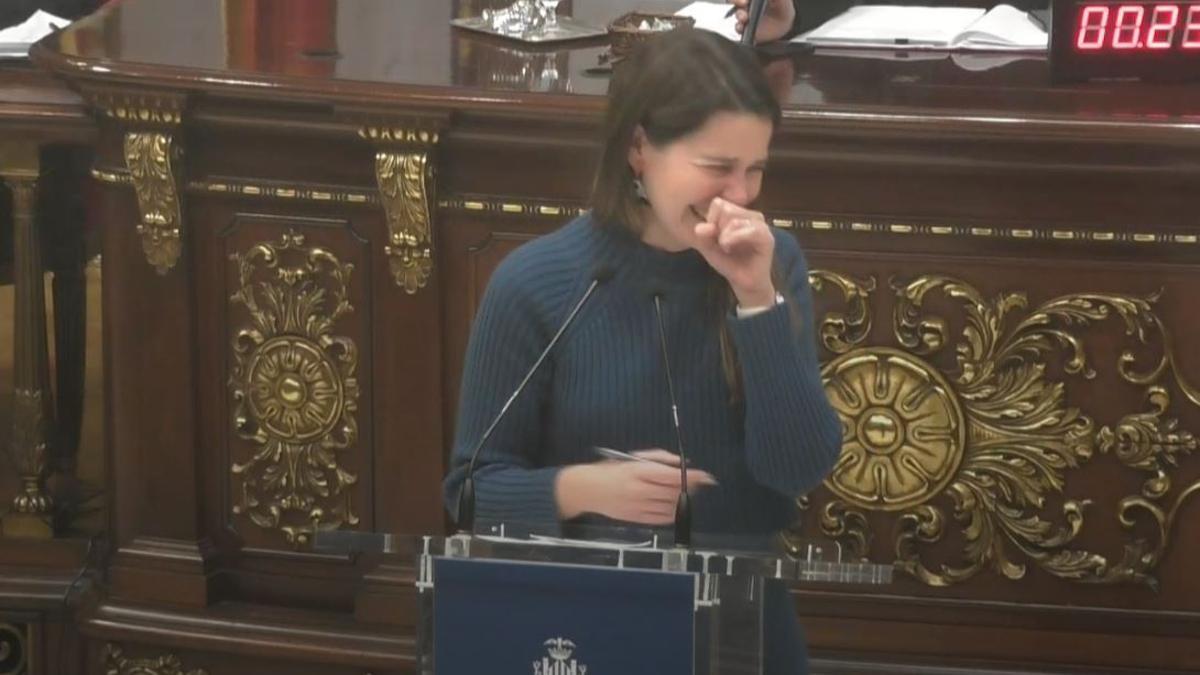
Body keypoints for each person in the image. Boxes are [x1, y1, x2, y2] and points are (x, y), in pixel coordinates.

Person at [443, 27, 842, 675]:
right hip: (584, 624)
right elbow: (470, 488)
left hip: (742, 626)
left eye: (756, 170)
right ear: (639, 149)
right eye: (717, 168)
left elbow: (796, 467)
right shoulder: (536, 282)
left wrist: (756, 299)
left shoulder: (772, 263)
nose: (739, 196)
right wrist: (583, 488)